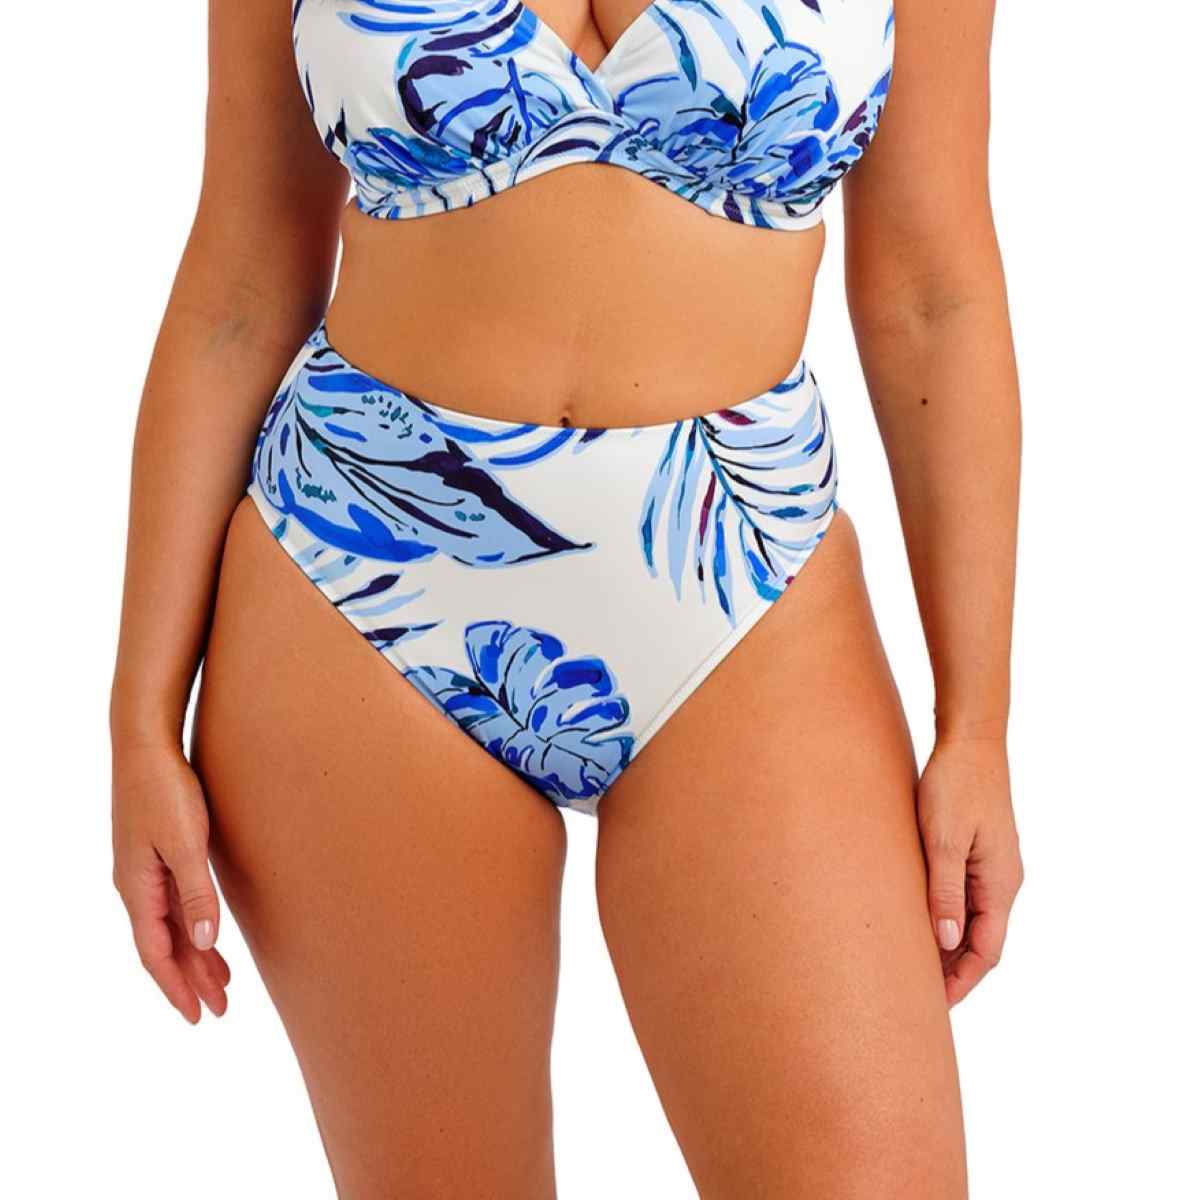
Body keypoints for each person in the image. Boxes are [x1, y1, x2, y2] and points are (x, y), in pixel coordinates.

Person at [110, 1, 1024, 1194]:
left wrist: (978, 727)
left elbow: (934, 297)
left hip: (743, 578)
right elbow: (237, 285)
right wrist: (137, 722)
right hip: (360, 581)